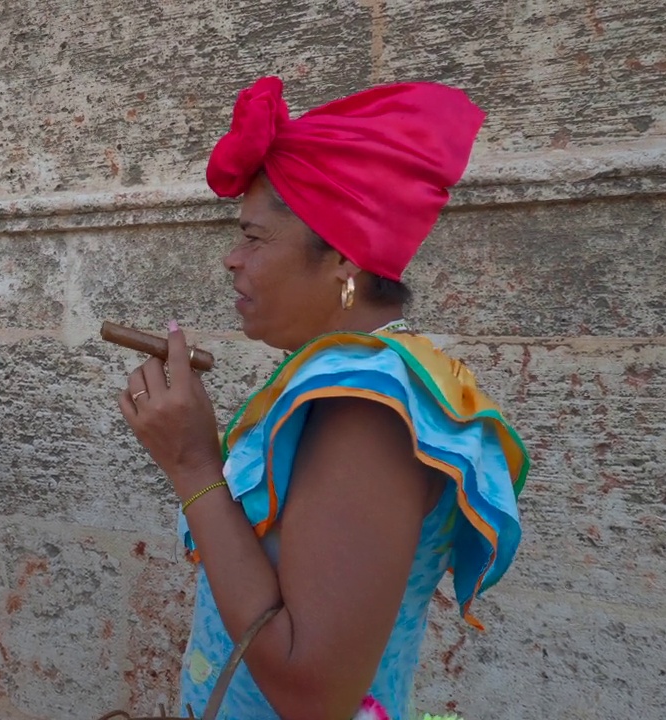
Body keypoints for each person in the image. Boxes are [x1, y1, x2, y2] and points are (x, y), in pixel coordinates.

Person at [117, 77, 528, 720]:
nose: (232, 259)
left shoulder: (366, 412)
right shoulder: (345, 383)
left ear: (340, 258)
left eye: (253, 238)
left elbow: (313, 693)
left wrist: (191, 463)